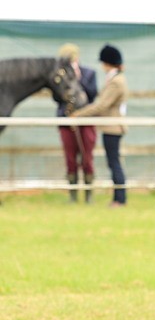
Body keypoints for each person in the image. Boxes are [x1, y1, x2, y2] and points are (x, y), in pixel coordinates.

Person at [70, 44, 128, 207]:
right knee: (113, 162)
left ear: (107, 63)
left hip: (113, 126)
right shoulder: (115, 79)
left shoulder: (116, 82)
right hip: (111, 126)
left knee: (114, 162)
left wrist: (78, 114)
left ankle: (120, 198)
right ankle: (119, 197)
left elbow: (101, 105)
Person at [55, 44, 98, 202]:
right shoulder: (59, 76)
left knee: (87, 157)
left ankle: (88, 194)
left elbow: (92, 95)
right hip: (66, 121)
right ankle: (73, 195)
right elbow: (57, 98)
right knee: (70, 158)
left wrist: (78, 79)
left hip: (86, 121)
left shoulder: (89, 73)